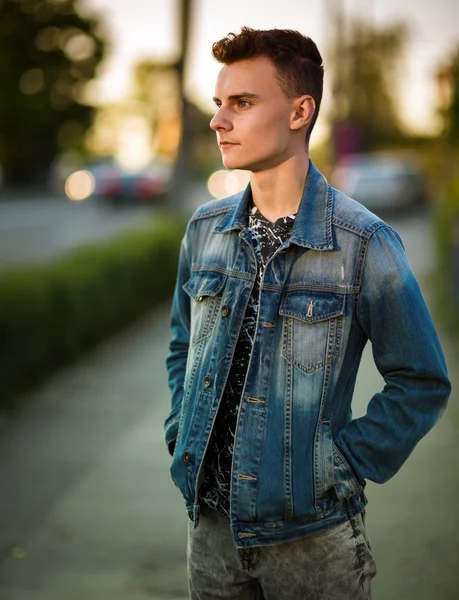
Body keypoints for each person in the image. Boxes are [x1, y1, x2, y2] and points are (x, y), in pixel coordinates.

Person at [165, 27, 451, 599]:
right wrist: (180, 427)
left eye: (242, 103)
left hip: (312, 542)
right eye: (218, 104)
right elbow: (181, 345)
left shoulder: (364, 242)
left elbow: (421, 380)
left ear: (300, 111)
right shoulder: (205, 232)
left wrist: (339, 466)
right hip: (210, 533)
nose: (219, 121)